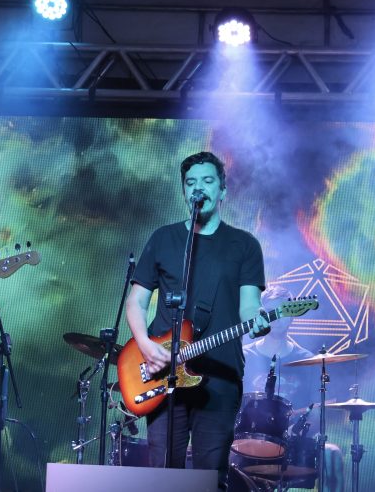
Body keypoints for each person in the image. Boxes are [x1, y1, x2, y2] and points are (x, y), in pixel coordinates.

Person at [125, 152, 269, 490]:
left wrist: (258, 319)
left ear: (222, 190)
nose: (198, 188)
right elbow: (136, 301)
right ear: (184, 191)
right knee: (162, 478)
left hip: (220, 376)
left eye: (207, 181)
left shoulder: (244, 245)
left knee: (210, 477)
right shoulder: (164, 239)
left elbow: (249, 306)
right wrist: (145, 345)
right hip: (164, 373)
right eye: (191, 183)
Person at [240, 286, 343, 492]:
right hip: (246, 441)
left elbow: (316, 410)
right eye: (272, 311)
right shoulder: (245, 356)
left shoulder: (307, 360)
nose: (278, 317)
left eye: (283, 311)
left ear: (293, 315)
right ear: (262, 314)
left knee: (332, 454)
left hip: (292, 443)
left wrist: (294, 431)